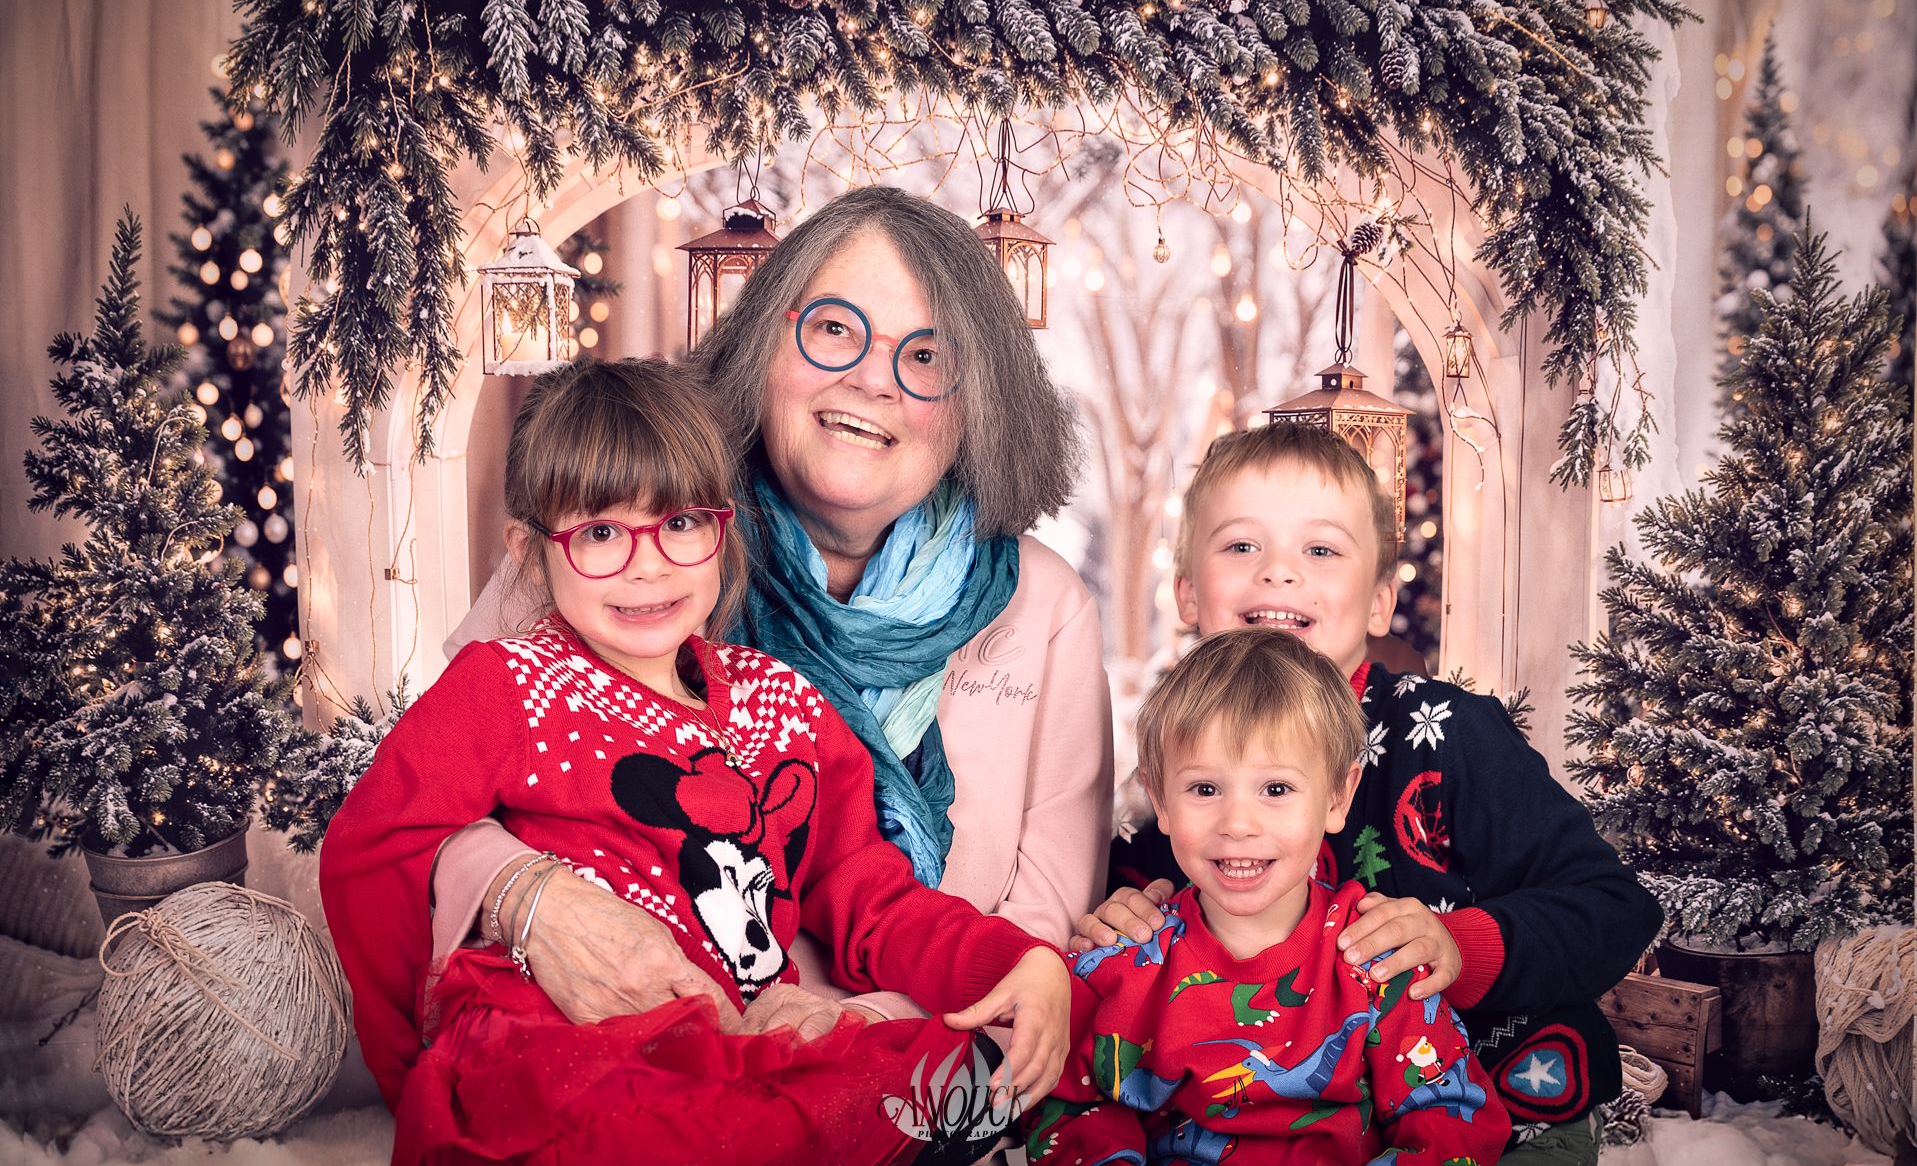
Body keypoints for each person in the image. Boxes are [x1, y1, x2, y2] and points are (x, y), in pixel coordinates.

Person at [320, 357, 1071, 1164]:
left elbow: (867, 895)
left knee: (942, 1076)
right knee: (620, 1124)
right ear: (531, 553)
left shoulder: (782, 703)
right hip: (555, 1043)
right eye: (600, 533)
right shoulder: (508, 685)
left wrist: (1014, 961)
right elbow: (373, 844)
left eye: (680, 524)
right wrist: (413, 1066)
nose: (648, 565)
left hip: (722, 1047)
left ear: (722, 529)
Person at [436, 186, 1112, 1038]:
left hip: (909, 1056)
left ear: (978, 402)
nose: (873, 379)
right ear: (764, 341)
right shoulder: (623, 547)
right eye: (835, 328)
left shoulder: (1040, 605)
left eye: (928, 355)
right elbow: (422, 798)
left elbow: (1041, 928)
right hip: (622, 1036)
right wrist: (529, 899)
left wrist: (848, 1027)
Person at [1080, 423, 1663, 1163]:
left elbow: (1613, 908)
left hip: (1490, 1097)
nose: (1278, 574)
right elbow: (1135, 908)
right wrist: (1121, 909)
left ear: (1381, 600)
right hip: (1278, 1120)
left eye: (1319, 550)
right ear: (1189, 592)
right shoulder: (1185, 756)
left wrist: (1458, 945)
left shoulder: (1449, 735)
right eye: (1240, 546)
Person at [1026, 628, 1511, 1165]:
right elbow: (1070, 1105)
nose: (1237, 824)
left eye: (1275, 790)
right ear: (1160, 798)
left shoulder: (1380, 959)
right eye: (1205, 789)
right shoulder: (1124, 959)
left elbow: (1450, 1115)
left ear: (1337, 796)